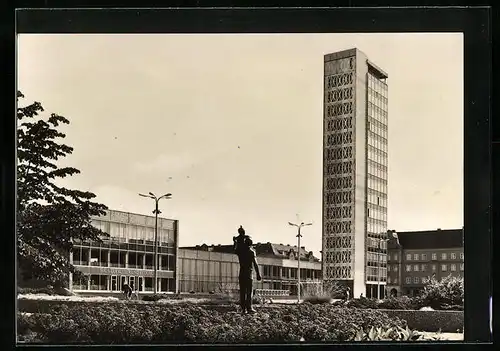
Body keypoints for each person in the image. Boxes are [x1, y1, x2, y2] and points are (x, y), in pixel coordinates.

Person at [238, 236, 262, 314]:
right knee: (249, 292)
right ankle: (249, 308)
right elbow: (255, 264)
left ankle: (243, 309)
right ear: (251, 244)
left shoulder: (240, 251)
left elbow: (235, 248)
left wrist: (237, 240)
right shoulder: (251, 252)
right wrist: (258, 274)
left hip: (241, 274)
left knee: (242, 292)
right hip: (249, 274)